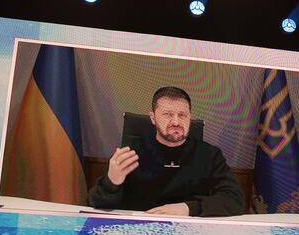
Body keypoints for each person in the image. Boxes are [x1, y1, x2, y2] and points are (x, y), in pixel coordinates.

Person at [89, 86, 245, 217]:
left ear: (190, 117)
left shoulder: (210, 155)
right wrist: (112, 182)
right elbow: (96, 203)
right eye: (167, 115)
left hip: (190, 234)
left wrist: (188, 208)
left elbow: (235, 200)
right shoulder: (130, 152)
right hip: (139, 232)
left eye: (182, 115)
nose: (176, 122)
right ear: (153, 118)